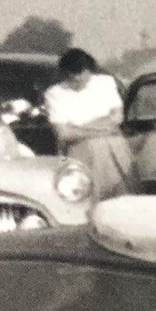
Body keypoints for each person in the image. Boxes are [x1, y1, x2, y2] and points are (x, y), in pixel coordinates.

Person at [42, 47, 130, 198]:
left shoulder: (105, 83)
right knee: (94, 149)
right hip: (81, 150)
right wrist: (102, 128)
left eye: (82, 74)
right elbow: (64, 134)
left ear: (90, 71)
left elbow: (117, 118)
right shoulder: (54, 94)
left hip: (113, 147)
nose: (78, 79)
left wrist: (80, 128)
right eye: (72, 75)